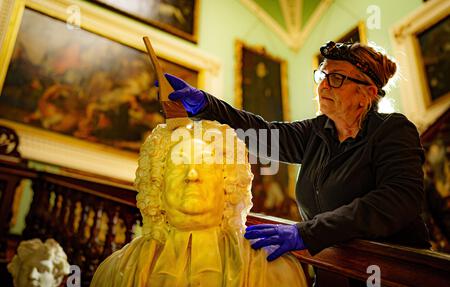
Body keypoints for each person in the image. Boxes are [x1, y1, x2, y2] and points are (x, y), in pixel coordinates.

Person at [158, 41, 430, 261]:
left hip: (395, 274)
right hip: (333, 273)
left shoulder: (392, 129)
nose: (323, 85)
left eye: (336, 78)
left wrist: (307, 234)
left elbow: (398, 200)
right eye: (322, 75)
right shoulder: (317, 132)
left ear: (366, 93)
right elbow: (260, 133)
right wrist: (204, 105)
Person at [85, 120, 310, 287]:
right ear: (158, 183)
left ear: (227, 182)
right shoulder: (114, 272)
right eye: (180, 164)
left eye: (205, 163)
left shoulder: (275, 273)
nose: (192, 175)